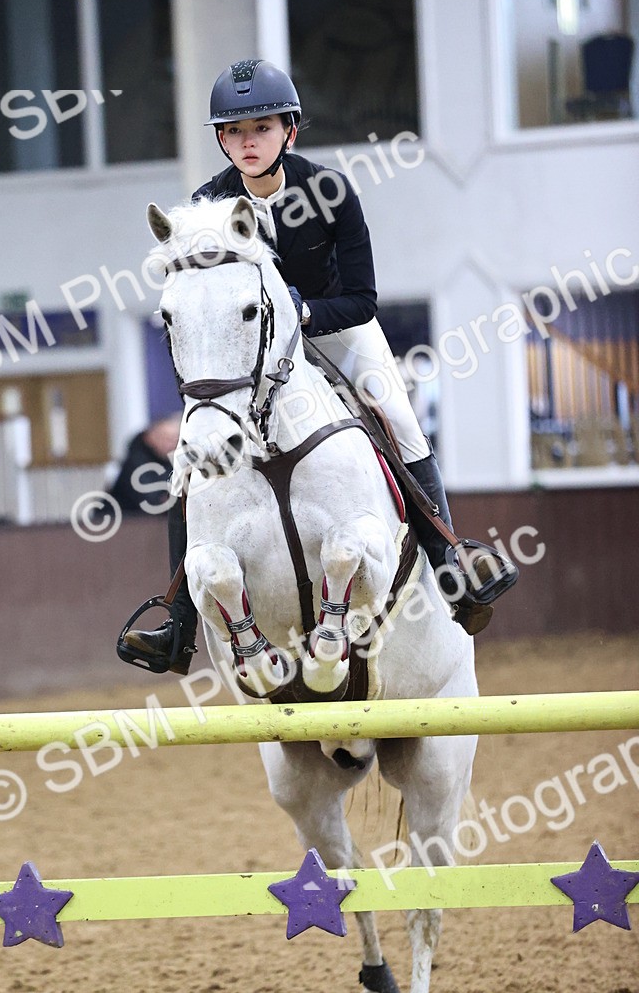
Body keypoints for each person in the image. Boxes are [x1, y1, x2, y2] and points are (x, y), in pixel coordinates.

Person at [118, 59, 516, 676]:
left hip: (333, 328)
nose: (247, 142)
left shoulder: (329, 191)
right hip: (249, 349)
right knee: (188, 462)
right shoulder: (207, 205)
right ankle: (179, 623)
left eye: (261, 128)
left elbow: (362, 298)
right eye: (233, 133)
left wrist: (301, 313)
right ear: (222, 141)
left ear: (289, 132)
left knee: (401, 420)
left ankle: (449, 564)